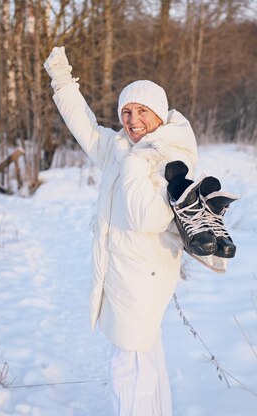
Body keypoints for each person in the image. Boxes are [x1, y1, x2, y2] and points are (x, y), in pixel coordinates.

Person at [44, 46, 198, 415]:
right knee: (146, 354)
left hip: (143, 276)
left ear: (159, 115)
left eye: (142, 111)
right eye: (126, 112)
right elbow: (84, 125)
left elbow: (147, 216)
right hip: (124, 273)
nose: (132, 119)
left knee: (127, 366)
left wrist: (136, 161)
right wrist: (62, 80)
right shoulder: (122, 148)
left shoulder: (168, 156)